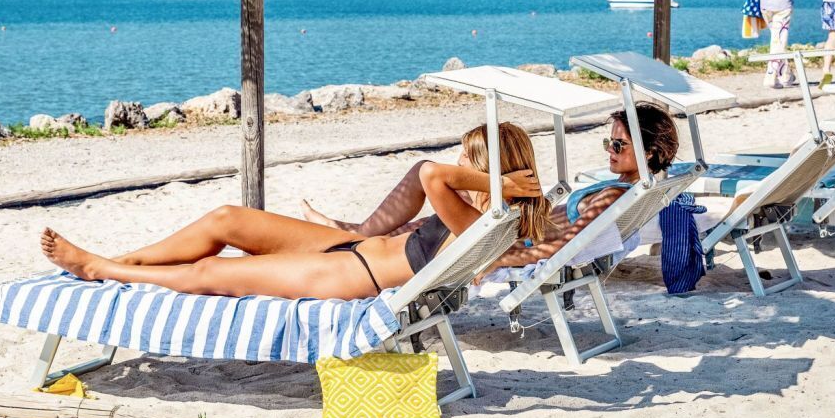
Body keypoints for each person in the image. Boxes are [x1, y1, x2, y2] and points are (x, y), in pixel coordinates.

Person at [40, 122, 548, 300]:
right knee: (226, 218)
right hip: (351, 249)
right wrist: (500, 182)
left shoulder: (485, 225)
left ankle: (98, 268)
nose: (458, 164)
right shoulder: (481, 212)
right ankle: (128, 259)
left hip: (351, 273)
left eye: (468, 158)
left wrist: (497, 184)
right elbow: (425, 169)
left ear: (484, 168)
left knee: (214, 270)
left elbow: (430, 176)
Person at [303, 104, 680, 271]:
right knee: (442, 210)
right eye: (608, 143)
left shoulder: (615, 196)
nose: (610, 151)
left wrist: (493, 258)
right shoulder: (630, 190)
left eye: (619, 146)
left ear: (649, 154)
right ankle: (354, 233)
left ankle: (353, 234)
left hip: (513, 239)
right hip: (522, 228)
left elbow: (563, 245)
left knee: (441, 194)